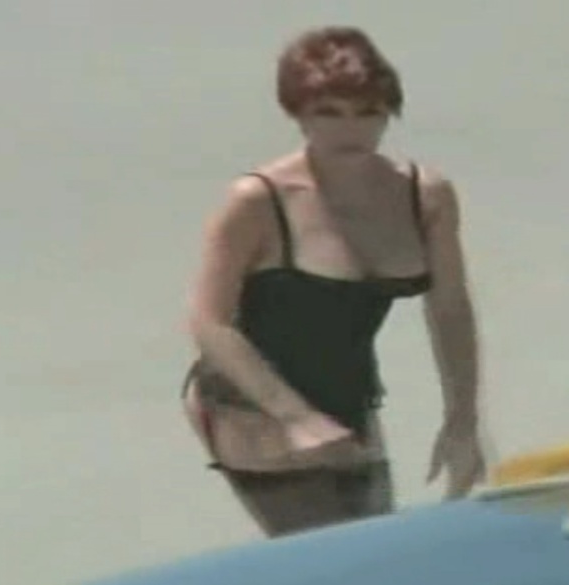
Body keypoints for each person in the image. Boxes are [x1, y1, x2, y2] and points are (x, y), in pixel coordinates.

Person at [180, 25, 486, 538]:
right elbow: (208, 322)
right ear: (298, 114)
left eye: (368, 112)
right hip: (250, 405)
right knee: (336, 550)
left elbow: (450, 309)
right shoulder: (258, 201)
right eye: (329, 113)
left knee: (378, 547)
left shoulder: (424, 195)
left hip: (352, 400)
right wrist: (295, 417)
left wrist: (462, 421)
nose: (351, 130)